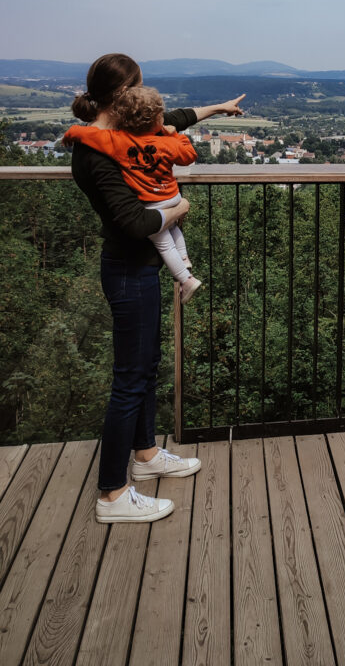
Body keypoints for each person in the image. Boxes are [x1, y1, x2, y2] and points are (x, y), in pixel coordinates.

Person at [68, 53, 244, 523]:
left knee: (145, 367)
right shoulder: (95, 152)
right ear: (126, 95)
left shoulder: (121, 134)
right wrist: (177, 210)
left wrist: (218, 108)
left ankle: (144, 456)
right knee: (129, 380)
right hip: (128, 270)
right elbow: (134, 221)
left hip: (140, 269)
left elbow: (171, 122)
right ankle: (112, 494)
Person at [64, 85, 203, 305]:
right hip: (173, 196)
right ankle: (184, 259)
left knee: (163, 243)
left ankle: (186, 280)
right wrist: (175, 133)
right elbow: (189, 155)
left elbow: (89, 134)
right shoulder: (167, 143)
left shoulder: (117, 142)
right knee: (173, 226)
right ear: (158, 120)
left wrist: (71, 134)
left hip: (152, 204)